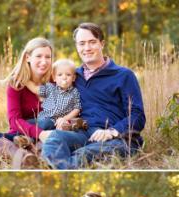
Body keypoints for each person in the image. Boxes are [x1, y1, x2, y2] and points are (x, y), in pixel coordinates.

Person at [40, 23, 146, 169]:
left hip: (118, 138)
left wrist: (111, 132)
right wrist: (62, 120)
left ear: (102, 44)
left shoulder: (123, 75)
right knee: (54, 139)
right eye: (81, 43)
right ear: (77, 47)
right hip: (83, 134)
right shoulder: (73, 76)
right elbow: (48, 90)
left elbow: (138, 116)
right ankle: (67, 165)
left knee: (85, 154)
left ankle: (66, 164)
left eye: (92, 42)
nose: (87, 48)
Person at [0, 37, 54, 169]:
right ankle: (23, 157)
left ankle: (23, 153)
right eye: (39, 56)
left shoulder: (55, 81)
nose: (44, 61)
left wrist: (45, 133)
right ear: (27, 58)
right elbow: (14, 120)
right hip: (20, 133)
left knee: (48, 132)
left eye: (48, 57)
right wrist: (39, 133)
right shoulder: (16, 84)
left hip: (47, 133)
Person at [14, 58, 82, 149]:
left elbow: (77, 108)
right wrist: (24, 80)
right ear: (54, 78)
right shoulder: (50, 88)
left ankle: (29, 140)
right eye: (60, 75)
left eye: (68, 75)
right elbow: (35, 89)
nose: (64, 77)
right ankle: (23, 138)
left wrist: (64, 118)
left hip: (54, 121)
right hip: (41, 118)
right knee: (26, 124)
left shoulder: (74, 92)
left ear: (73, 78)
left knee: (47, 124)